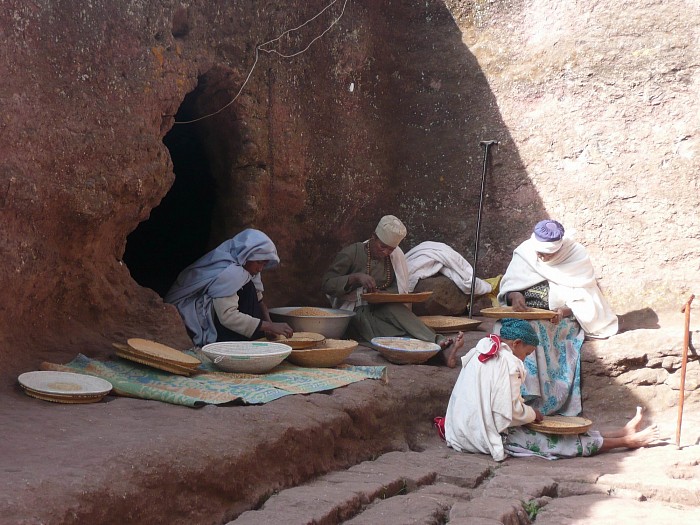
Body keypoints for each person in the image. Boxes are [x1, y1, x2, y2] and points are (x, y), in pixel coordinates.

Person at [438, 318, 658, 461]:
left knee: (544, 429)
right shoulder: (508, 363)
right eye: (527, 352)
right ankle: (626, 442)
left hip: (464, 428)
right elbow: (510, 411)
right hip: (481, 435)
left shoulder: (483, 349)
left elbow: (497, 403)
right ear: (515, 343)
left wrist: (527, 414)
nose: (526, 358)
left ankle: (620, 434)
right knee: (555, 442)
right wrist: (533, 414)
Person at [496, 220, 618, 416]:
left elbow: (586, 298)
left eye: (547, 253)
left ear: (559, 247)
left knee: (534, 330)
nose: (541, 256)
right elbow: (510, 286)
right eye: (539, 252)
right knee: (510, 329)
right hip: (528, 312)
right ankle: (518, 393)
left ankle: (540, 400)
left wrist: (564, 311)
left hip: (561, 319)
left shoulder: (576, 255)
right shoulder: (525, 252)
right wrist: (514, 295)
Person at [321, 215, 464, 367]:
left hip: (383, 306)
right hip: (356, 311)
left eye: (391, 249)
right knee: (395, 334)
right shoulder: (352, 253)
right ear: (373, 237)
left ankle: (439, 341)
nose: (386, 252)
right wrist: (355, 278)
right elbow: (327, 284)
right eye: (382, 247)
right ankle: (441, 353)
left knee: (400, 314)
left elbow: (398, 288)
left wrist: (382, 295)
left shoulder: (395, 257)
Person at [165, 229, 293, 347]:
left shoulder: (248, 268)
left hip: (225, 315)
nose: (260, 269)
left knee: (250, 289)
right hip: (198, 316)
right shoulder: (231, 273)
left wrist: (269, 324)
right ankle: (234, 342)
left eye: (264, 264)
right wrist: (269, 326)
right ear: (246, 254)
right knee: (247, 288)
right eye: (258, 262)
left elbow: (259, 300)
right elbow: (227, 316)